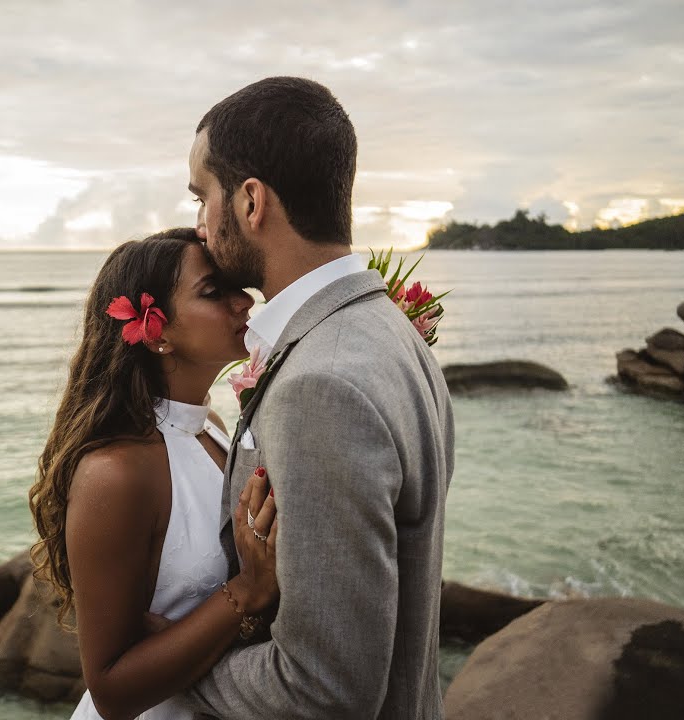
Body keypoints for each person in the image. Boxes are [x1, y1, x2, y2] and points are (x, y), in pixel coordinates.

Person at [180, 76, 456, 718]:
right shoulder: (392, 333)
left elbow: (323, 692)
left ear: (251, 202)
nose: (197, 227)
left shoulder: (320, 386)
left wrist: (174, 666)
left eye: (203, 197)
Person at [28, 227, 283, 720]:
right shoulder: (116, 473)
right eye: (214, 292)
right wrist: (247, 591)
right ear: (155, 331)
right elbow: (112, 692)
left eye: (237, 287)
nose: (243, 302)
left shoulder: (210, 427)